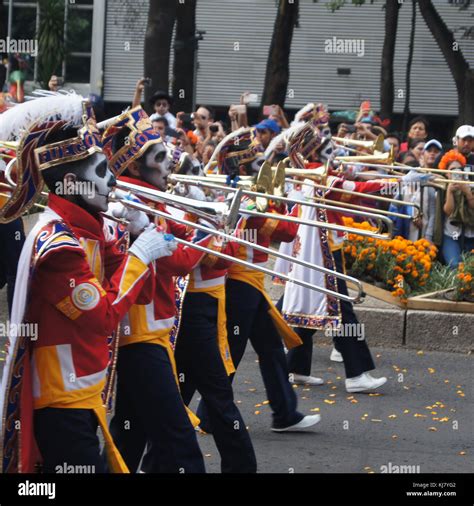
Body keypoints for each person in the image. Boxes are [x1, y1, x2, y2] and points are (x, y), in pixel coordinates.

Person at [0, 94, 177, 473]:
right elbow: (104, 317)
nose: (112, 178)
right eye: (101, 171)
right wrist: (139, 256)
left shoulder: (80, 230)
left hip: (80, 392)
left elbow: (131, 286)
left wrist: (134, 233)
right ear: (68, 183)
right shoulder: (59, 246)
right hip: (61, 399)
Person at [101, 106, 209, 473]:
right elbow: (177, 262)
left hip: (150, 332)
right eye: (159, 158)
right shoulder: (131, 203)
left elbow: (178, 245)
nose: (168, 165)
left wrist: (202, 215)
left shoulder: (152, 198)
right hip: (140, 336)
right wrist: (205, 237)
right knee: (178, 440)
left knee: (131, 436)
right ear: (133, 167)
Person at [197, 128, 321, 433]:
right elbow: (287, 233)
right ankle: (209, 415)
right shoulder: (248, 203)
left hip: (249, 284)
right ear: (241, 169)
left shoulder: (250, 195)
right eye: (255, 165)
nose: (262, 168)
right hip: (241, 285)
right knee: (233, 354)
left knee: (270, 351)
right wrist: (294, 199)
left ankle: (284, 413)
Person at [439, 150, 474, 266]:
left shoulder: (470, 185)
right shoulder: (442, 187)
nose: (456, 173)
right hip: (451, 234)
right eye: (452, 170)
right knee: (455, 265)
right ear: (446, 173)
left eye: (459, 169)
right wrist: (449, 191)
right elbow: (449, 211)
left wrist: (467, 192)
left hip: (470, 234)